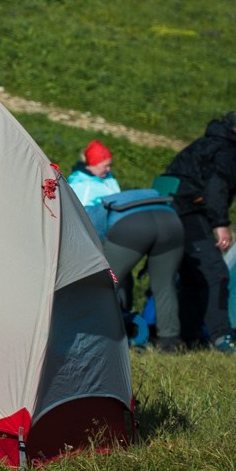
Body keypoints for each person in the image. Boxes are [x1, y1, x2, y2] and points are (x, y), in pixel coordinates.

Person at [69, 140, 185, 353]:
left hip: (130, 227)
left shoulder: (88, 200)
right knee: (164, 284)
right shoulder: (86, 186)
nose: (108, 169)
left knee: (104, 281)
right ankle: (169, 341)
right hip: (170, 218)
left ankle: (91, 335)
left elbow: (86, 230)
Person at [160, 112, 236, 352]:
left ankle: (188, 337)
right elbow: (216, 186)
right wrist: (220, 224)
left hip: (166, 211)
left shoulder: (203, 144)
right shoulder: (228, 150)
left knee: (192, 277)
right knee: (216, 273)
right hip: (190, 213)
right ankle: (222, 337)